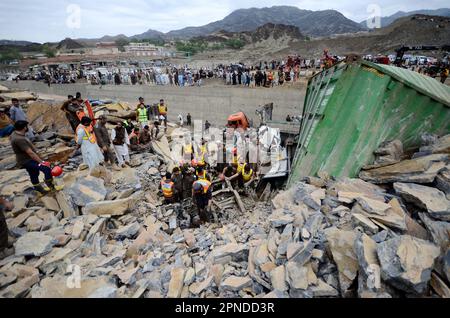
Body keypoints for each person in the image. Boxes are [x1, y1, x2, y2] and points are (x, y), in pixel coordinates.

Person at [11, 121, 62, 194]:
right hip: (28, 160)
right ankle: (52, 187)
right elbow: (30, 152)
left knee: (34, 173)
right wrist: (42, 162)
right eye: (27, 126)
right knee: (46, 169)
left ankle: (39, 190)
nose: (28, 127)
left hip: (24, 159)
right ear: (24, 127)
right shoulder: (19, 139)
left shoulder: (15, 134)